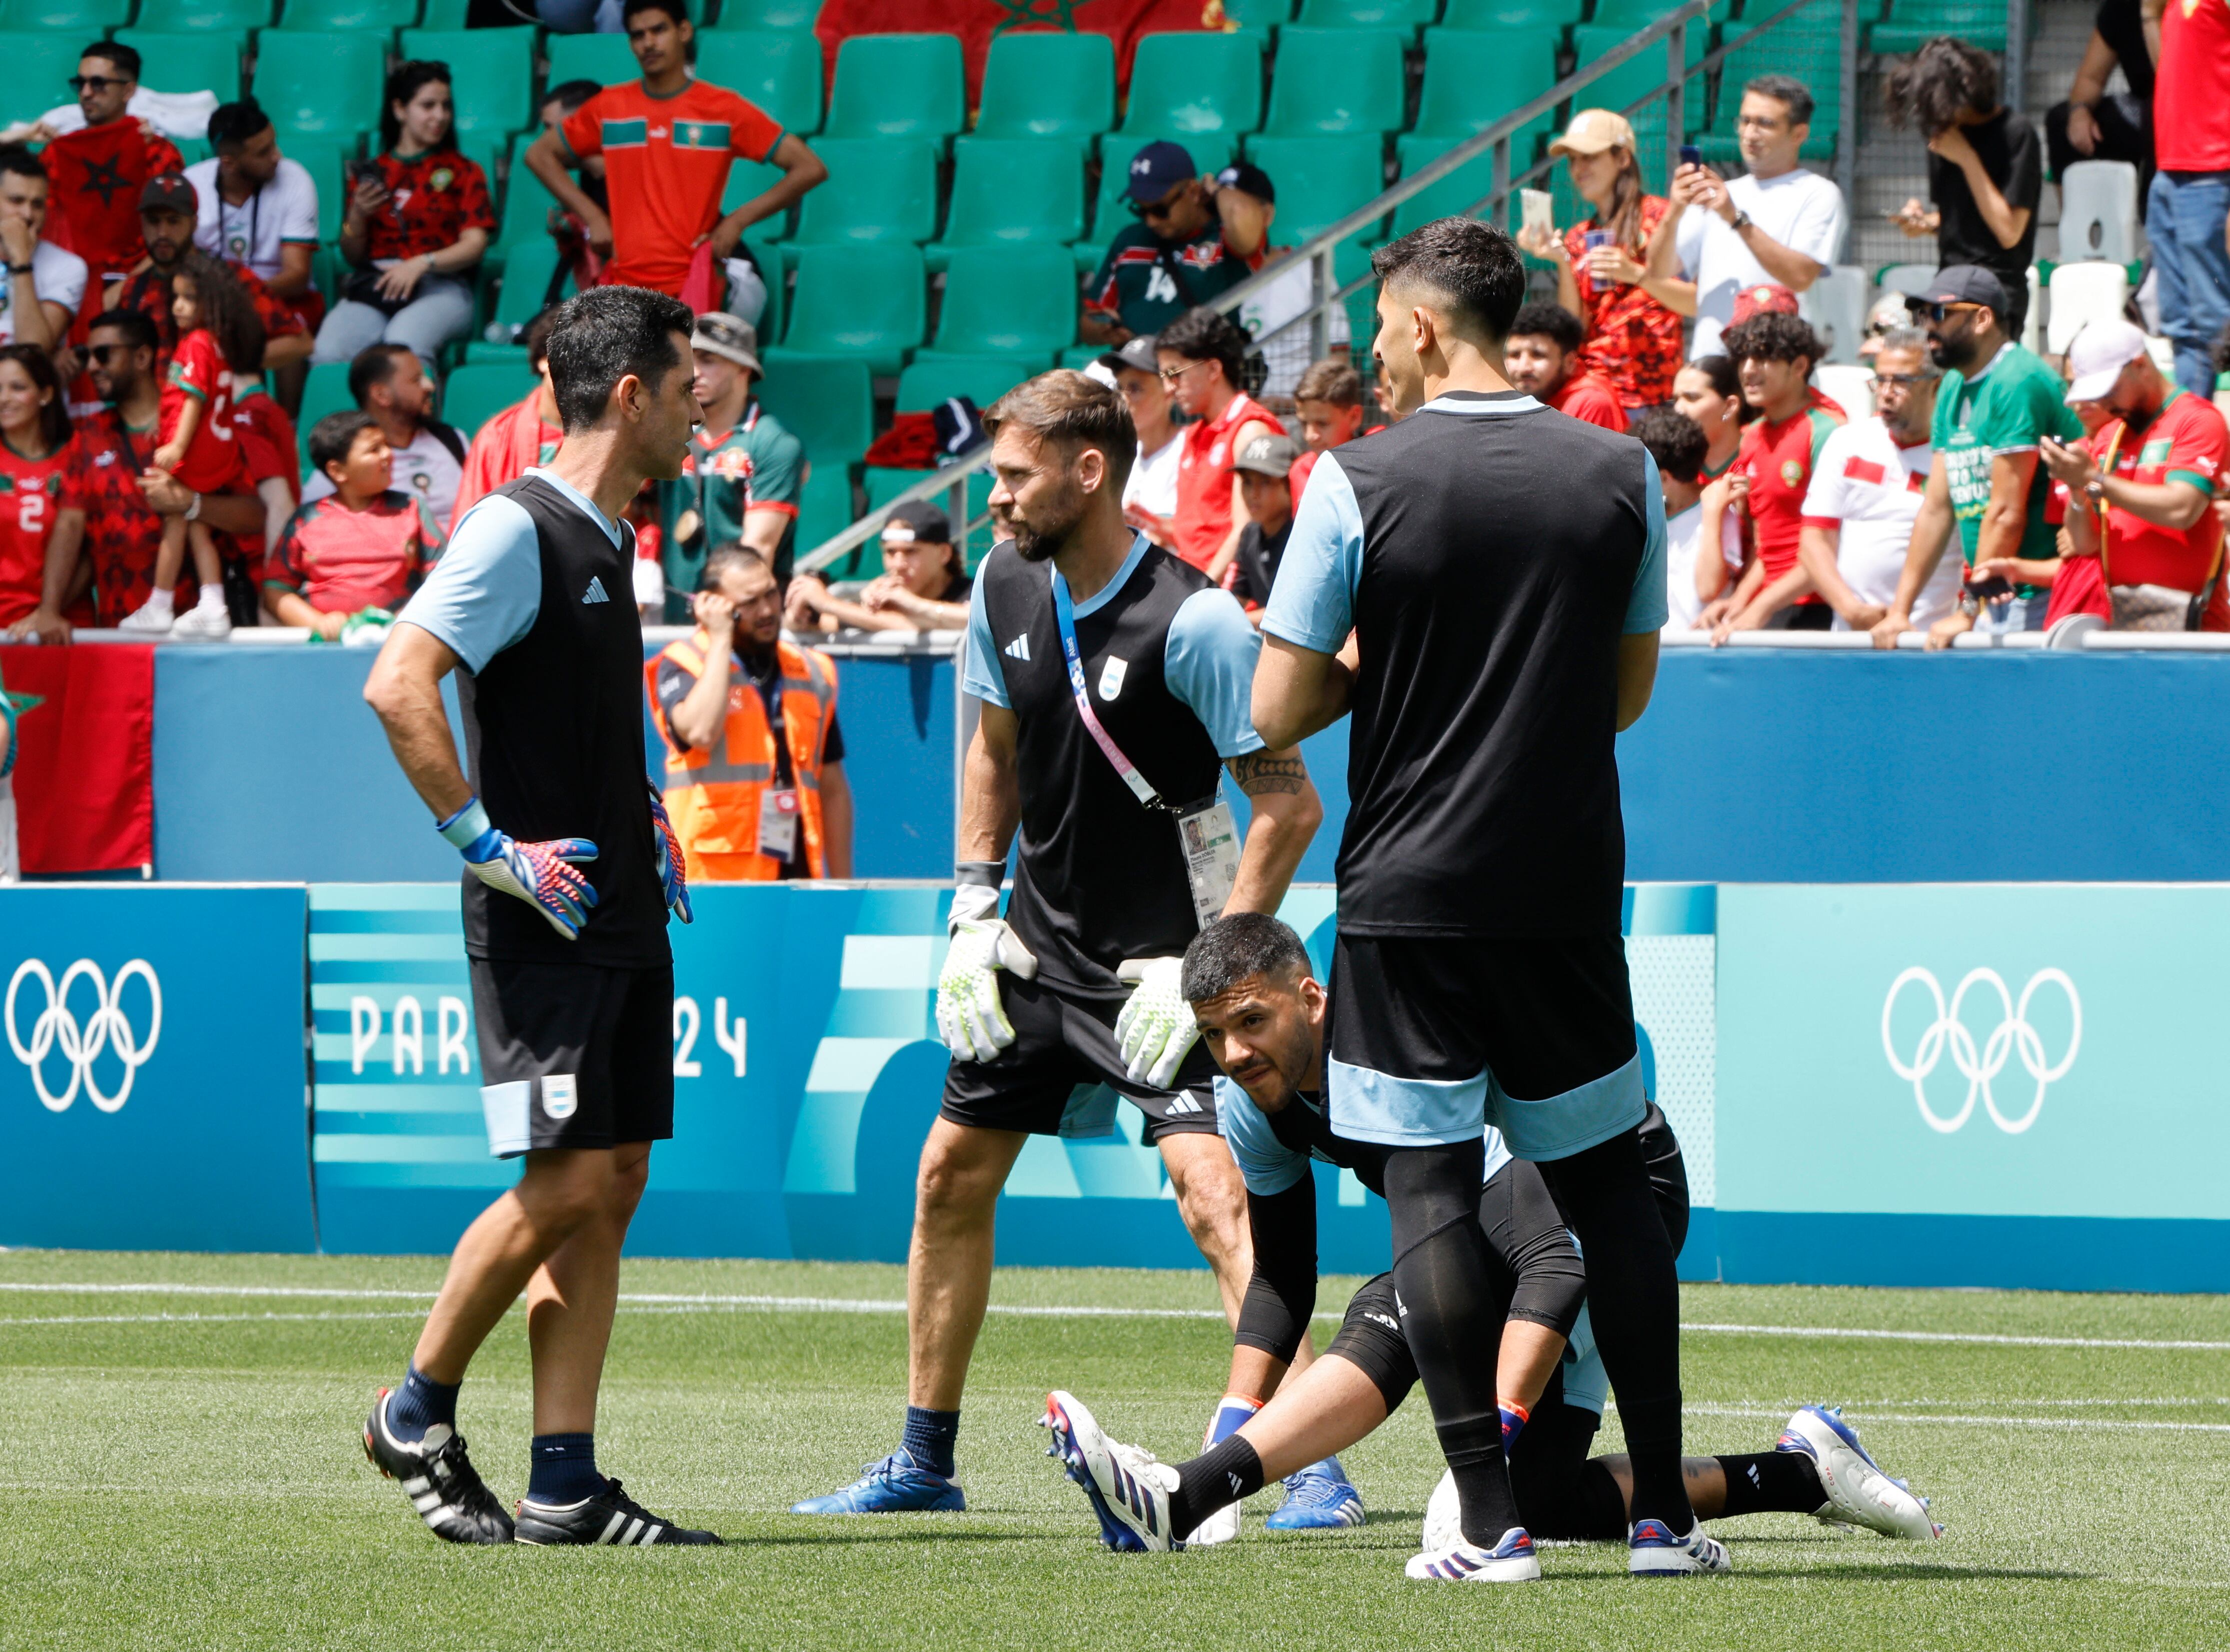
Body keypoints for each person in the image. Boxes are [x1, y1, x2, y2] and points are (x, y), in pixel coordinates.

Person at [1251, 216, 1712, 1581]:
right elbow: (1622, 697)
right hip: (1566, 886)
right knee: (1610, 1202)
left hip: (1409, 893)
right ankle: (1664, 1523)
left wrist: (1380, 667)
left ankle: (1490, 1524)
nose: (1371, 350)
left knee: (1431, 1197)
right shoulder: (1621, 470)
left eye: (1377, 327)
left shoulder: (1354, 482)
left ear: (1414, 322)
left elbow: (1278, 703)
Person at [789, 370, 1322, 1519]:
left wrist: (1209, 968)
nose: (995, 500)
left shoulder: (1199, 619)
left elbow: (1287, 805)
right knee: (948, 1176)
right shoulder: (1001, 581)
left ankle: (1307, 1463)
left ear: (1090, 472)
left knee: (1215, 1195)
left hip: (1161, 970)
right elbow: (991, 748)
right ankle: (925, 1462)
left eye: (1015, 477)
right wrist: (972, 911)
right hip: (1036, 950)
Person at [1045, 914, 1937, 1556]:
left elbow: (1550, 1251)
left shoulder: (1394, 1041)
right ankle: (1802, 1470)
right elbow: (1279, 1281)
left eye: (1252, 1021)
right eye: (1213, 1035)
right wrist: (1234, 1415)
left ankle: (1184, 1492)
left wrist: (1479, 1459)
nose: (1234, 1052)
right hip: (1506, 1221)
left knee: (1398, 1306)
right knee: (1547, 1498)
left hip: (1617, 1189)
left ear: (1312, 999)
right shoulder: (1251, 1106)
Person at [359, 283, 715, 1548]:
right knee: (565, 1182)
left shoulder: (611, 538)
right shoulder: (517, 530)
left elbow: (573, 720)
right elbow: (399, 684)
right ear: (631, 396)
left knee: (612, 1180)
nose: (700, 409)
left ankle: (565, 1483)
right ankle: (415, 1406)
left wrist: (645, 810)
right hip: (543, 923)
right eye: (686, 388)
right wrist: (486, 847)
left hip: (618, 905)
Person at [524, 0, 825, 308]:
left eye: (659, 30)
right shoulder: (610, 107)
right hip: (627, 284)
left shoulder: (722, 108)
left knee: (683, 353)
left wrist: (737, 221)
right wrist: (592, 217)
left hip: (699, 279)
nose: (649, 43)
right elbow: (539, 155)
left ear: (684, 31)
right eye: (638, 35)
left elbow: (809, 167)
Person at [1871, 266, 2082, 648]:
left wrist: (1967, 611)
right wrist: (1899, 611)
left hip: (2038, 598)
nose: (1927, 327)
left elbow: (2006, 512)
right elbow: (1935, 508)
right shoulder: (1952, 384)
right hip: (1994, 594)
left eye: (1939, 314)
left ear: (1982, 318)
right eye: (1922, 315)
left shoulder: (2017, 380)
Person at [648, 543, 854, 880]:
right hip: (711, 877)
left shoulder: (810, 669)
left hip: (794, 865)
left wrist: (844, 884)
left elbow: (832, 786)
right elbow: (699, 732)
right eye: (750, 603)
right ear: (715, 605)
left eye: (771, 595)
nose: (767, 611)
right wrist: (719, 640)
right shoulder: (684, 662)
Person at [2019, 318, 2230, 630]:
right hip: (2125, 622)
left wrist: (2094, 479)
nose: (2105, 402)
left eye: (2110, 390)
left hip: (2195, 627)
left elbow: (2182, 509)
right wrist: (2078, 488)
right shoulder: (2111, 434)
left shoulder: (2197, 420)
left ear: (2140, 365)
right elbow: (2084, 543)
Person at [114, 252, 262, 638]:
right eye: (176, 298)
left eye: (190, 298)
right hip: (216, 453)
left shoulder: (196, 343)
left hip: (197, 455)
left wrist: (177, 445)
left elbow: (194, 399)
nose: (179, 306)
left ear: (209, 302)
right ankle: (213, 604)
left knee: (174, 523)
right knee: (197, 526)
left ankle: (160, 604)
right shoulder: (214, 343)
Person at [1647, 76, 1847, 360]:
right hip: (1712, 370)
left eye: (1765, 124)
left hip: (1778, 369)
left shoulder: (1819, 194)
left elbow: (1800, 276)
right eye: (1745, 121)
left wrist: (1735, 218)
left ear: (1799, 134)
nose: (1750, 133)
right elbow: (1658, 271)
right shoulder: (1721, 193)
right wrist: (1675, 211)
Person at [316, 62, 496, 373]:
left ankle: (425, 423)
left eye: (446, 106)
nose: (440, 116)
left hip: (442, 285)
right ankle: (347, 423)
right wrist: (357, 215)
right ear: (399, 110)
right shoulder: (372, 173)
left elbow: (475, 244)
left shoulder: (465, 171)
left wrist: (420, 264)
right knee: (329, 351)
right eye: (428, 106)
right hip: (378, 284)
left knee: (404, 346)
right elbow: (352, 254)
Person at [1518, 110, 1692, 413]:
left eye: (1589, 157)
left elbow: (1695, 302)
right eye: (1573, 160)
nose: (1578, 169)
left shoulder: (1662, 217)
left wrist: (1637, 274)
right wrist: (1560, 261)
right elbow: (1573, 328)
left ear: (1623, 159)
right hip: (1596, 393)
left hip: (1652, 398)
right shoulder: (1578, 237)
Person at [1796, 328, 1959, 632]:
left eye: (1901, 382)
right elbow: (1814, 541)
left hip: (1926, 641)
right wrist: (1852, 611)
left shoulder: (1956, 452)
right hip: (1852, 639)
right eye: (1880, 380)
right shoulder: (1847, 442)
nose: (1886, 392)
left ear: (1935, 387)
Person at [1885, 40, 2041, 343]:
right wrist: (1924, 223)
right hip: (1946, 282)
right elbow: (1961, 218)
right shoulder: (1944, 138)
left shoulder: (2016, 133)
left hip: (1995, 290)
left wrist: (1967, 159)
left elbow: (2009, 232)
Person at [1705, 312, 1844, 636]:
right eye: (1743, 359)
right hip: (1771, 606)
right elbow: (1768, 546)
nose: (1748, 370)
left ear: (1798, 367)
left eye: (1764, 358)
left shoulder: (1828, 431)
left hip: (1815, 607)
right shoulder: (1753, 434)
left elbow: (1829, 545)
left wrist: (1758, 610)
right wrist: (1738, 603)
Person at [657, 312, 804, 598]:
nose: (694, 372)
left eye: (708, 361)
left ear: (744, 369)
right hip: (671, 607)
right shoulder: (666, 434)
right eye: (689, 360)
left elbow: (758, 549)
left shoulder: (774, 443)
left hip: (740, 611)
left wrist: (724, 612)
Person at [265, 410, 444, 636]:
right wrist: (319, 623)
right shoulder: (305, 520)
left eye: (386, 445)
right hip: (328, 651)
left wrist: (407, 620)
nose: (388, 455)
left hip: (399, 641)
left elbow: (442, 578)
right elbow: (276, 590)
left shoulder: (412, 509)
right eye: (374, 450)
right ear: (337, 471)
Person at [110, 174, 312, 373]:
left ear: (195, 223)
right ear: (142, 224)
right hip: (156, 404)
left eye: (174, 221)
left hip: (216, 401)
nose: (163, 233)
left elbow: (300, 343)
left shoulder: (228, 277)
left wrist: (222, 363)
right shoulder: (134, 289)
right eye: (154, 222)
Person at [41, 42, 184, 304]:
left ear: (128, 90)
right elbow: (43, 231)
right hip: (68, 286)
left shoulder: (158, 154)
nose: (86, 93)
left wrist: (122, 292)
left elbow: (177, 235)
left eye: (98, 83)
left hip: (144, 285)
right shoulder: (57, 154)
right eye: (80, 83)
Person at [1082, 142, 1251, 346]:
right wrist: (1105, 330)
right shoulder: (1130, 240)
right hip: (1135, 367)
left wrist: (1216, 190)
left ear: (1192, 192)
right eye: (1141, 211)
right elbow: (1089, 321)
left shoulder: (1226, 238)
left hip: (1200, 368)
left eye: (1160, 210)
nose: (1151, 221)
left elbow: (1246, 222)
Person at [1157, 304, 1282, 578]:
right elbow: (1202, 529)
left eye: (1175, 374)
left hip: (1225, 601)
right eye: (1165, 377)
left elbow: (1246, 530)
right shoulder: (1194, 433)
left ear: (1214, 369)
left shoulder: (1249, 430)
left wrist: (1202, 594)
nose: (1168, 388)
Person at [1211, 162, 1351, 405]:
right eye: (1222, 212)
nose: (1230, 222)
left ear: (1267, 215)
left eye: (1239, 209)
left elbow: (1339, 361)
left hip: (1297, 416)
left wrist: (1292, 406)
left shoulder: (1307, 267)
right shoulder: (1206, 275)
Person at [2145, 0, 2230, 398]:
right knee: (2182, 324)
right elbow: (2169, 72)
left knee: (2217, 321)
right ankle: (2193, 440)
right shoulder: (2172, 5)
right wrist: (2148, 14)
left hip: (2212, 171)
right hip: (2170, 170)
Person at [187, 98, 320, 336]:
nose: (277, 156)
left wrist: (239, 297)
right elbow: (184, 262)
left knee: (287, 332)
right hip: (215, 299)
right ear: (229, 163)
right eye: (263, 152)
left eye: (274, 144)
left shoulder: (295, 179)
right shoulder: (192, 185)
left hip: (283, 295)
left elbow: (298, 276)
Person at [301, 344, 466, 532]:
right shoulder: (347, 457)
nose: (430, 386)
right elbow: (309, 526)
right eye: (416, 380)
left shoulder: (452, 440)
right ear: (381, 395)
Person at [785, 498, 970, 634]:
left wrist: (827, 603)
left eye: (911, 552)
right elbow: (828, 623)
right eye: (890, 552)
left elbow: (915, 627)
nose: (898, 565)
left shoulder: (977, 594)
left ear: (944, 554)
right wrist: (801, 619)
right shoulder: (888, 598)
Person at [1631, 408, 1737, 632]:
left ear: (1663, 477)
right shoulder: (1644, 514)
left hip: (1698, 648)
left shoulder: (1718, 509)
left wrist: (1712, 515)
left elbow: (1709, 589)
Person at [0, 346, 83, 633]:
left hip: (60, 627)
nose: (4, 399)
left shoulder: (77, 456)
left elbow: (92, 551)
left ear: (47, 394)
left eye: (17, 388)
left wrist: (47, 611)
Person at [455, 308, 564, 521]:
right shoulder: (496, 436)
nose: (580, 371)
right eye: (570, 358)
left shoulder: (614, 433)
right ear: (543, 359)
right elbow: (471, 523)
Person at [2046, 0, 2154, 194]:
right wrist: (2080, 111)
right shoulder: (2122, 7)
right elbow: (2091, 78)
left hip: (2198, 111)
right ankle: (2077, 222)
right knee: (2061, 120)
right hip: (2143, 106)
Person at [0, 148, 87, 354]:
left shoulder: (69, 267)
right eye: (16, 201)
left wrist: (21, 260)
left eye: (37, 205)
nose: (28, 214)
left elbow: (33, 350)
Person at [1102, 334, 1184, 542]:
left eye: (1135, 388)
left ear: (1169, 391)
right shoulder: (1118, 454)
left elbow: (1196, 537)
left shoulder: (1191, 449)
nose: (1124, 399)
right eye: (1120, 388)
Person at [1504, 302, 1629, 432]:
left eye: (1538, 356)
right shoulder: (1518, 401)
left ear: (1570, 362)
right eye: (1514, 355)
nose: (1523, 368)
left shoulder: (1590, 403)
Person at [1227, 431, 1300, 616]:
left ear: (1291, 484)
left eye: (1266, 482)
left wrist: (1239, 620)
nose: (1254, 493)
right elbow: (1236, 596)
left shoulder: (1302, 536)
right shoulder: (1250, 535)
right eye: (1248, 482)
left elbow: (1292, 610)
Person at [1288, 358, 1376, 502]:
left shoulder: (1378, 457)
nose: (1311, 436)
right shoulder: (1301, 471)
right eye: (1304, 424)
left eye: (1322, 424)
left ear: (1354, 417)